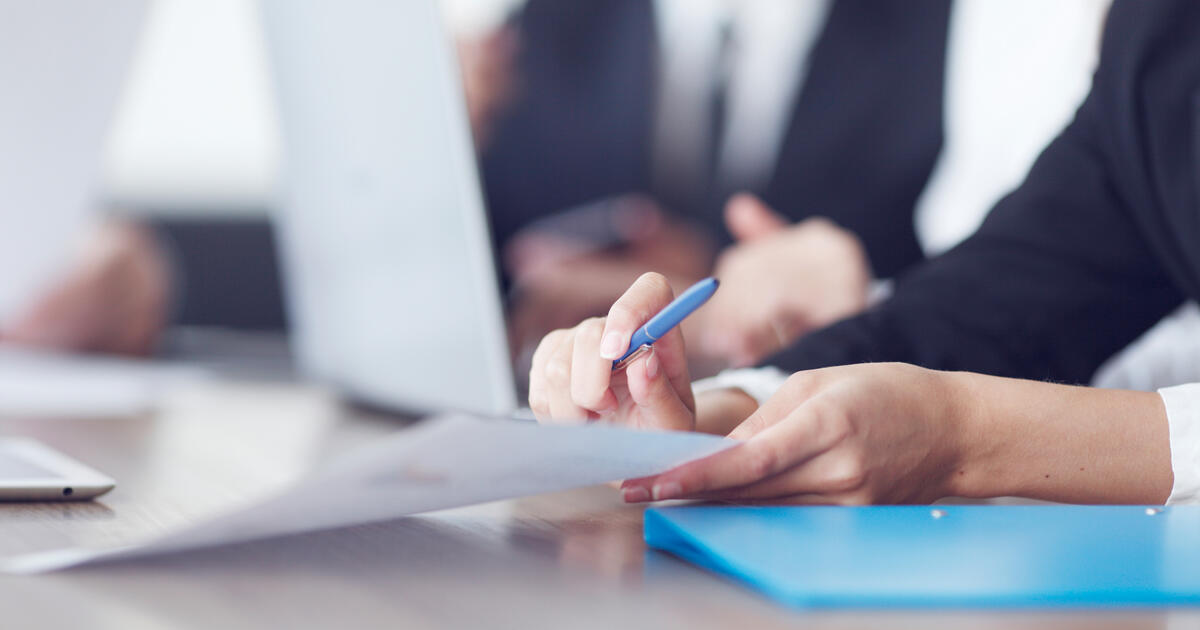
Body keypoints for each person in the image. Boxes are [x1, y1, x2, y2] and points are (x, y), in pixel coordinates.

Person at [527, 0, 1200, 506]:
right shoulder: (1161, 35)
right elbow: (993, 301)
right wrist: (716, 419)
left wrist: (969, 432)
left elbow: (948, 412)